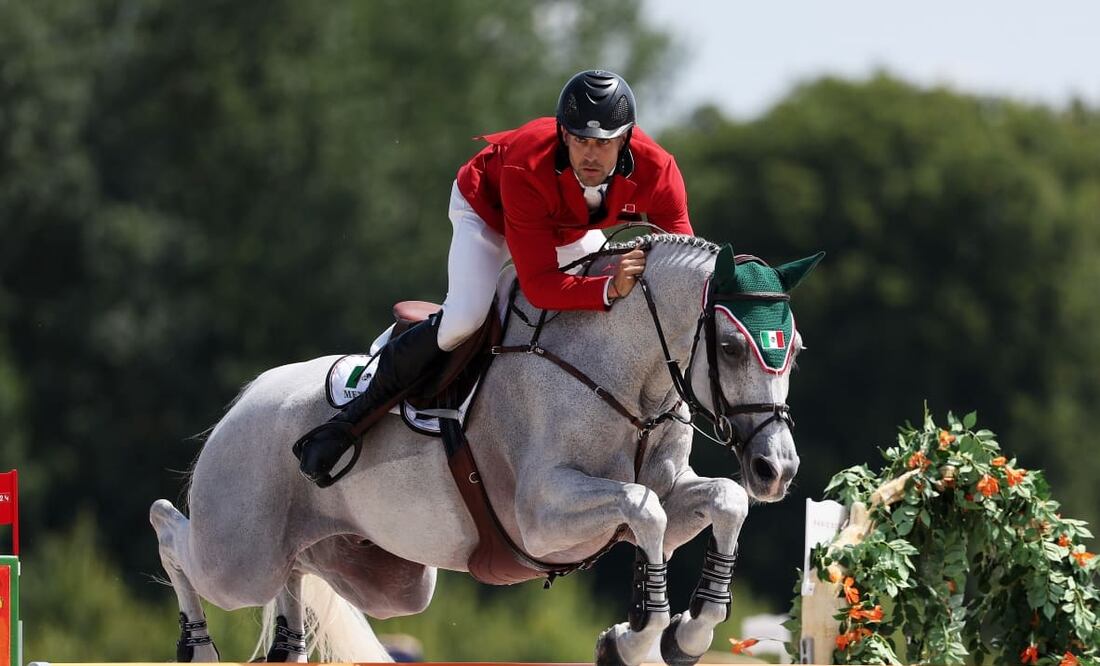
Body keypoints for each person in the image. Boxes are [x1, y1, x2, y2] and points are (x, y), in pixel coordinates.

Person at [295, 69, 694, 486]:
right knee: (466, 318)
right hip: (487, 213)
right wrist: (609, 287)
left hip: (564, 228)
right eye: (580, 140)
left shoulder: (660, 171)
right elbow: (540, 286)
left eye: (604, 143)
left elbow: (684, 268)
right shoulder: (528, 163)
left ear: (627, 138)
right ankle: (355, 412)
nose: (590, 155)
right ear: (563, 134)